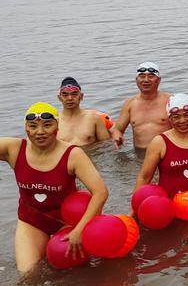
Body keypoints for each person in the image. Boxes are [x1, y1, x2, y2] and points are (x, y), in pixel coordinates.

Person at [0, 103, 109, 272]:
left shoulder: (73, 154)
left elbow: (100, 192)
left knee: (77, 275)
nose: (40, 132)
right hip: (32, 220)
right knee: (29, 275)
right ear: (26, 128)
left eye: (47, 125)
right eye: (33, 126)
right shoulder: (13, 148)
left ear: (57, 127)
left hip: (66, 222)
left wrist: (79, 230)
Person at [110, 62, 171, 149]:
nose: (146, 80)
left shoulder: (170, 101)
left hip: (165, 153)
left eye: (151, 76)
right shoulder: (130, 104)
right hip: (139, 154)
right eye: (142, 76)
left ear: (158, 80)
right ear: (136, 80)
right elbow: (118, 129)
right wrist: (117, 137)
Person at [55, 77, 110, 146]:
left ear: (81, 96)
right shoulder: (55, 121)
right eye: (65, 95)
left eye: (74, 94)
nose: (70, 98)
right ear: (59, 98)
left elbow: (107, 145)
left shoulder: (94, 118)